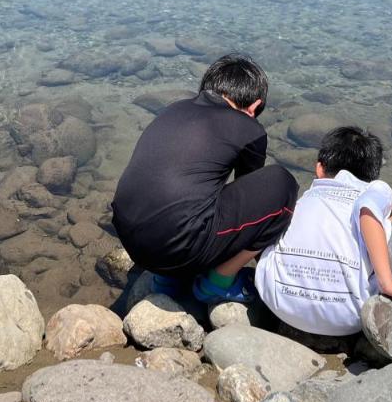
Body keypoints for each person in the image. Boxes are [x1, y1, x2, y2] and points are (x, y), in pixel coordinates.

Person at [111, 54, 299, 304]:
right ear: (254, 107)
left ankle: (167, 280)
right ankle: (217, 283)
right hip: (178, 248)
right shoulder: (248, 128)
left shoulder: (175, 108)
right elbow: (251, 191)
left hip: (130, 239)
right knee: (281, 184)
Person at [255, 126, 392, 336]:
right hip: (349, 315)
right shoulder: (376, 188)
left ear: (319, 169)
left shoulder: (309, 195)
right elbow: (368, 210)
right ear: (374, 174)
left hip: (276, 298)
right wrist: (389, 283)